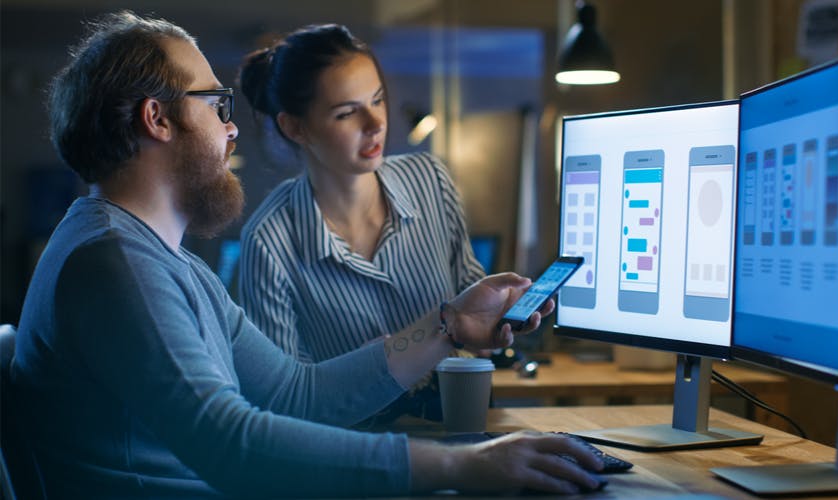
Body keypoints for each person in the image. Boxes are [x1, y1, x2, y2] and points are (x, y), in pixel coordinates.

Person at [11, 11, 604, 498]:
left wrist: (449, 325)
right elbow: (231, 446)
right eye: (216, 105)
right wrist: (459, 466)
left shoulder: (164, 261)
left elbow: (297, 394)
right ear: (157, 118)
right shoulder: (116, 263)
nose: (231, 129)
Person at [236, 24, 484, 420]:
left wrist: (499, 314)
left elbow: (468, 288)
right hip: (358, 447)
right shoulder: (269, 242)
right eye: (347, 113)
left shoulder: (431, 179)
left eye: (378, 100)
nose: (375, 123)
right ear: (294, 127)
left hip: (461, 422)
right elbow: (283, 402)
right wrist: (369, 368)